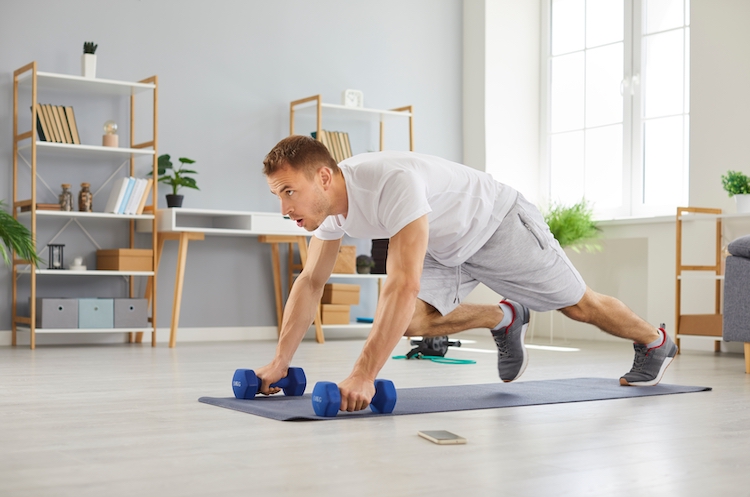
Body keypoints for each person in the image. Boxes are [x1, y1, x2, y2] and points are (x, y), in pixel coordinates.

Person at [256, 135, 677, 413]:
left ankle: (655, 342)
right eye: (279, 195)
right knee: (415, 322)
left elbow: (403, 283)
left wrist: (364, 374)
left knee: (580, 307)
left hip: (494, 224)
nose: (285, 208)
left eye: (289, 192)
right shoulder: (329, 209)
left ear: (324, 177)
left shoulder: (390, 183)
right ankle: (505, 317)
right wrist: (280, 362)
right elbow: (310, 281)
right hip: (443, 243)